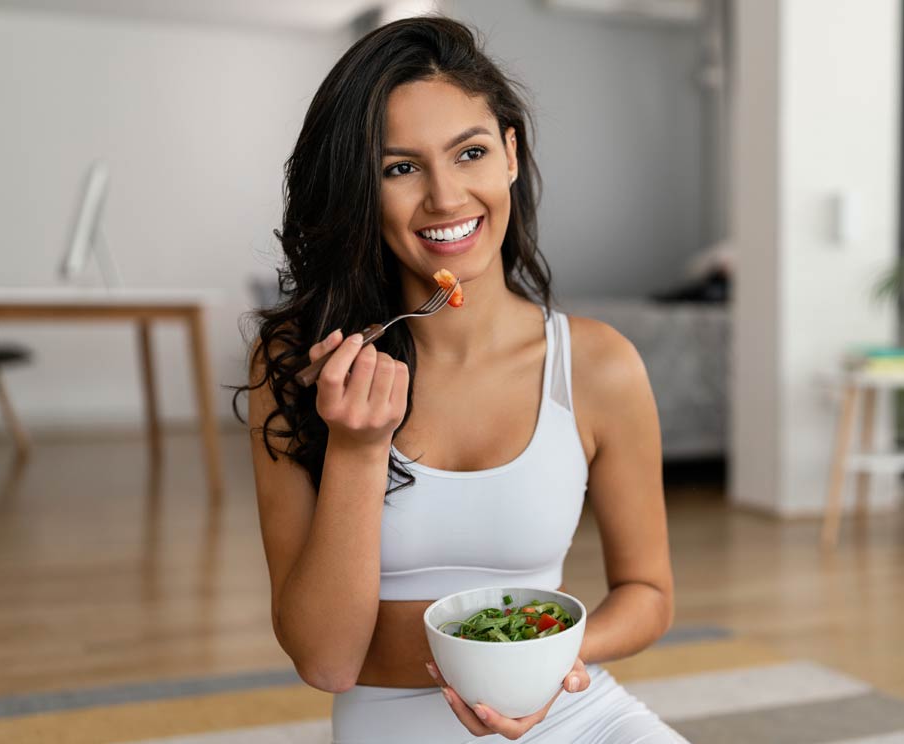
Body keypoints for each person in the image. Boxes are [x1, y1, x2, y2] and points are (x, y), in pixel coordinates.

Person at [234, 15, 685, 744]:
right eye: (400, 167)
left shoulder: (598, 365)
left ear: (510, 154)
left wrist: (556, 659)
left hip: (575, 707)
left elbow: (649, 593)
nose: (446, 198)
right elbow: (325, 659)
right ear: (360, 189)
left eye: (469, 153)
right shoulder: (297, 362)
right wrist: (356, 448)